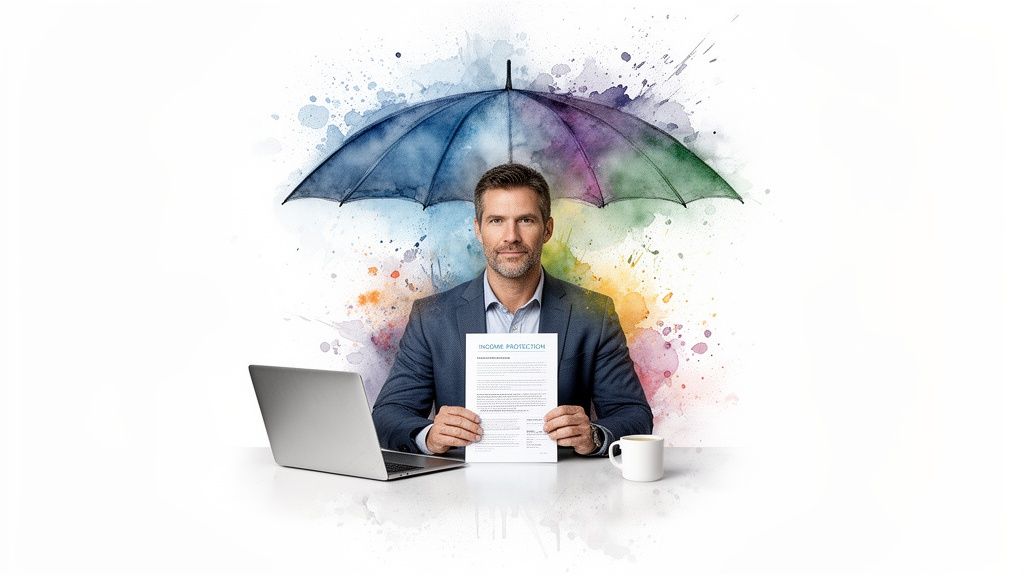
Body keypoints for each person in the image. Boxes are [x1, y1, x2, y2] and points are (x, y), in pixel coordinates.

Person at [372, 163, 653, 456]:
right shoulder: (431, 317)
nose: (511, 237)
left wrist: (594, 435)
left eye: (526, 220)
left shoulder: (593, 313)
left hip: (564, 486)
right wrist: (429, 435)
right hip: (460, 488)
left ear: (547, 229)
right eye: (496, 221)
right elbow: (388, 415)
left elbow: (634, 415)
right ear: (478, 229)